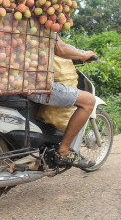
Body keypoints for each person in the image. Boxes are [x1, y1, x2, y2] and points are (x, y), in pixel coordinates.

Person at [28, 35, 98, 170]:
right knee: (89, 101)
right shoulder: (44, 20)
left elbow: (61, 46)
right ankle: (64, 151)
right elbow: (60, 48)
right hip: (35, 86)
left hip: (16, 81)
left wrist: (79, 53)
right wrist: (83, 55)